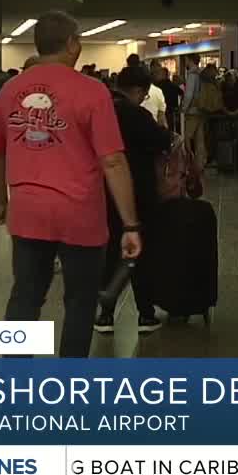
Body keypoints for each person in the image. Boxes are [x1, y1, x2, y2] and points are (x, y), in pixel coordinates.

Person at [0, 10, 142, 359]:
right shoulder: (92, 91)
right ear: (71, 44)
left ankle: (14, 378)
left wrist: (0, 201)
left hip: (28, 210)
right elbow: (112, 161)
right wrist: (130, 224)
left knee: (25, 297)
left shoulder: (10, 90)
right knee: (80, 302)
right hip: (80, 213)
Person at [94, 65, 173, 344]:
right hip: (137, 191)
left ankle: (105, 314)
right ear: (138, 91)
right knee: (140, 252)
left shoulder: (100, 109)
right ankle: (145, 314)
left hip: (103, 190)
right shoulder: (135, 114)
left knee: (109, 251)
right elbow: (162, 140)